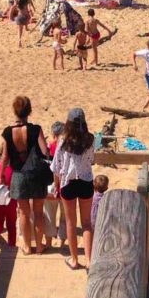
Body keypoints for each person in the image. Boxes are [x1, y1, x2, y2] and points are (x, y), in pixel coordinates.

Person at [0, 96, 53, 256]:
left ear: (15, 111)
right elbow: (45, 152)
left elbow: (5, 157)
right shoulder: (36, 129)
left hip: (18, 175)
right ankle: (40, 247)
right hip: (36, 174)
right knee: (38, 211)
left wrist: (2, 175)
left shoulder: (8, 132)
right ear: (29, 110)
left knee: (23, 212)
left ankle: (28, 247)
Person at [51, 108, 96, 269]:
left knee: (71, 222)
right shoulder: (90, 139)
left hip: (68, 182)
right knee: (86, 223)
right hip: (85, 180)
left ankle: (75, 259)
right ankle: (90, 260)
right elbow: (91, 159)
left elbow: (56, 167)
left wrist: (56, 185)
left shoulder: (63, 140)